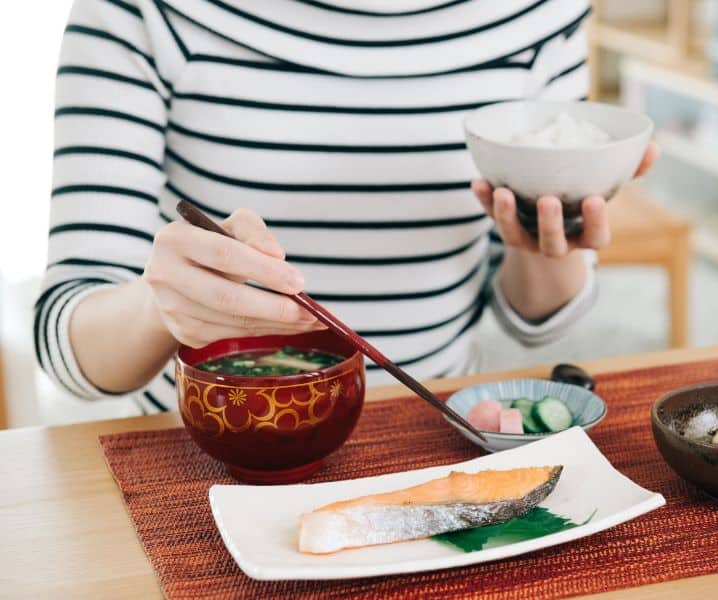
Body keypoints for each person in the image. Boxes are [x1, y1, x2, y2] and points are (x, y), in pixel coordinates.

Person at [35, 0, 657, 413]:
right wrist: (160, 307)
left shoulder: (541, 13)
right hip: (210, 452)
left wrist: (547, 246)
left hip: (428, 433)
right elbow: (67, 344)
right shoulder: (142, 10)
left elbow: (532, 318)